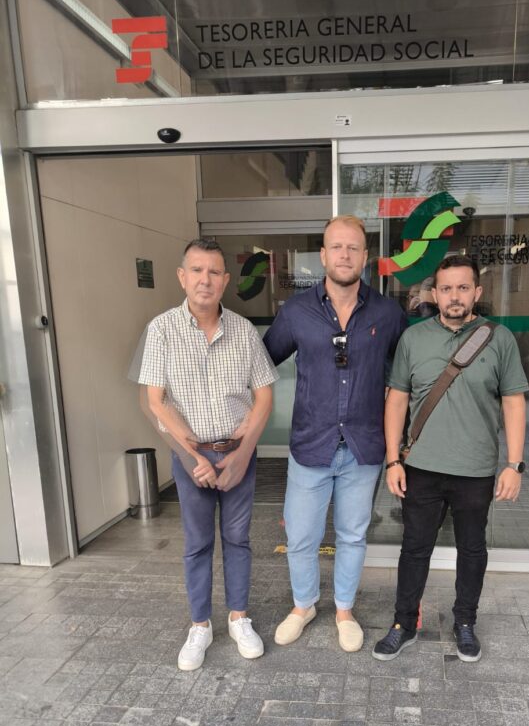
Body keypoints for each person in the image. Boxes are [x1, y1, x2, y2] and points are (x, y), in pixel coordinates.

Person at [373, 254, 528, 663]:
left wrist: (514, 464)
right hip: (420, 468)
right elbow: (396, 400)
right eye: (446, 289)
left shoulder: (500, 339)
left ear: (477, 292)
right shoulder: (413, 339)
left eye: (462, 287)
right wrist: (393, 460)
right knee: (414, 549)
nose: (454, 296)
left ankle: (465, 623)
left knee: (472, 550)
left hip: (475, 470)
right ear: (435, 294)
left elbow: (513, 402)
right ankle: (404, 623)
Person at [264, 216, 408, 652]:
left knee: (352, 535)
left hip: (363, 448)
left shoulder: (387, 314)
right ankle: (303, 605)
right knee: (301, 538)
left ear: (365, 257)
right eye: (337, 247)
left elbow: (406, 375)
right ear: (323, 255)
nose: (345, 255)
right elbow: (260, 364)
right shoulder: (296, 312)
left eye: (353, 248)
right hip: (311, 446)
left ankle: (344, 610)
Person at [138, 239, 278, 671]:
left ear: (226, 280)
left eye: (214, 272)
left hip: (238, 453)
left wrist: (243, 453)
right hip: (191, 456)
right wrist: (191, 457)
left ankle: (238, 618)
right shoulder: (161, 329)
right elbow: (155, 401)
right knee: (198, 543)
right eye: (197, 270)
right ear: (182, 277)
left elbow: (265, 396)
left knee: (237, 538)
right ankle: (200, 625)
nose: (205, 279)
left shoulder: (244, 331)